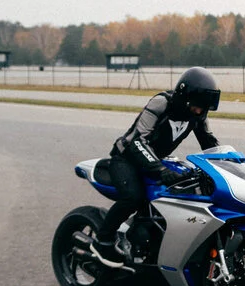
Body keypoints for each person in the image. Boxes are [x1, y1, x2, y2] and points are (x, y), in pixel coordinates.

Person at [91, 67, 221, 267]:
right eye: (197, 106)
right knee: (133, 198)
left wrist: (222, 166)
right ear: (185, 97)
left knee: (178, 195)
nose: (200, 111)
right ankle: (102, 241)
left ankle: (151, 244)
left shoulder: (199, 115)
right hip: (126, 159)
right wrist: (160, 169)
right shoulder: (161, 103)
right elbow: (137, 140)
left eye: (204, 108)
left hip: (154, 160)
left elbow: (210, 143)